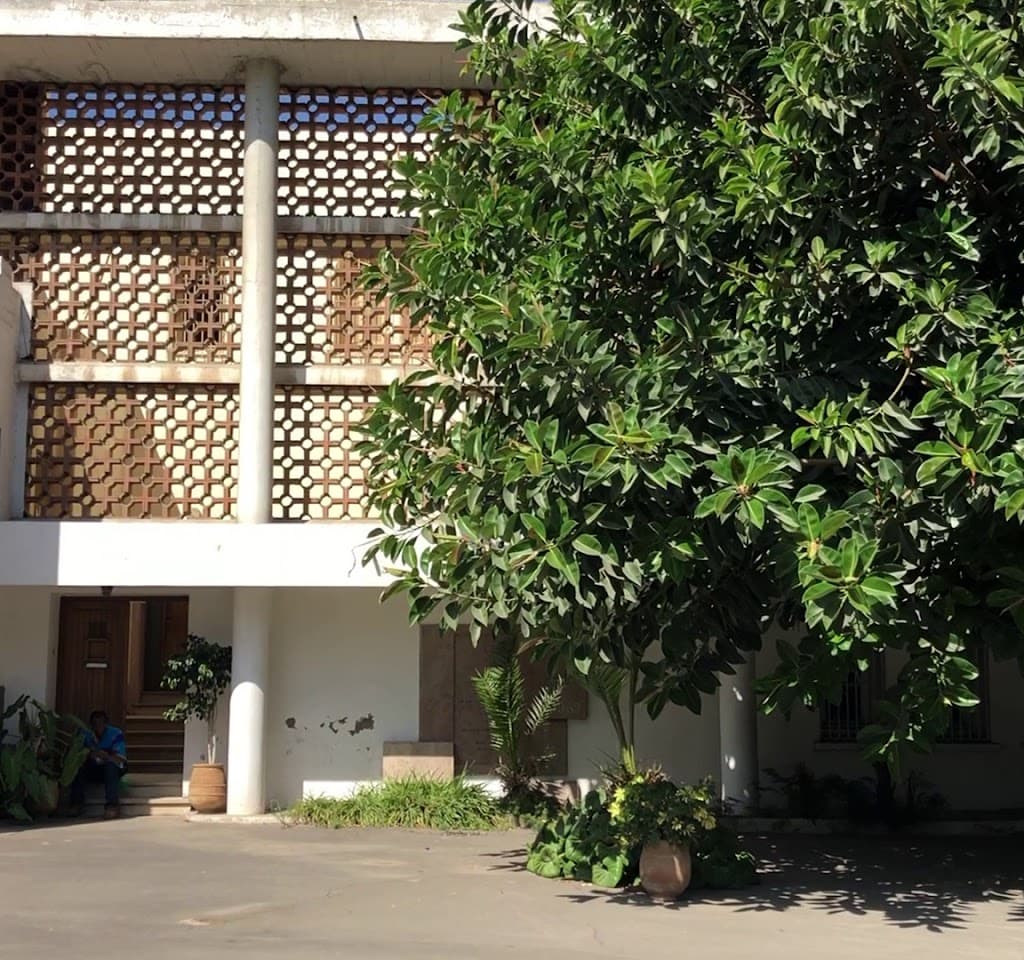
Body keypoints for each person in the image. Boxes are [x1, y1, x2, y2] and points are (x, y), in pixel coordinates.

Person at [70, 710, 127, 818]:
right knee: (78, 766)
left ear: (106, 724)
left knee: (111, 767)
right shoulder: (84, 734)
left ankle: (112, 805)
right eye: (95, 725)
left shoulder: (116, 733)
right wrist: (89, 754)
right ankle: (76, 803)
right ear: (91, 725)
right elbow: (75, 754)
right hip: (93, 768)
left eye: (101, 724)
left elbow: (120, 759)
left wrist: (104, 756)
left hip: (113, 767)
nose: (98, 728)